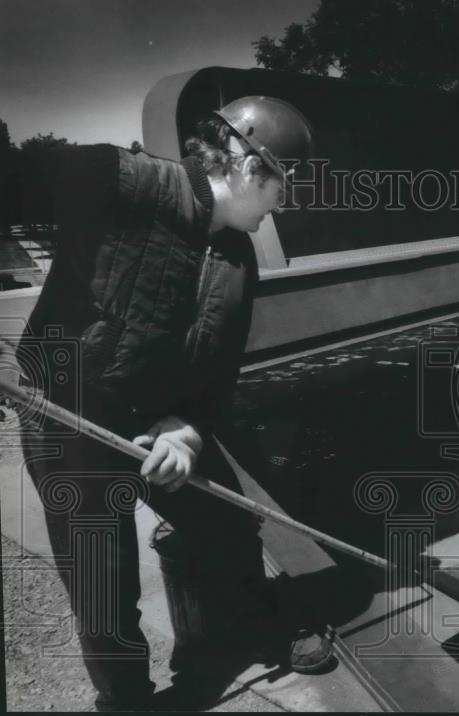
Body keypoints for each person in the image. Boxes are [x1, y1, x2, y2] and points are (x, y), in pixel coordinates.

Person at [10, 96, 334, 710]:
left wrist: (184, 430)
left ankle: (255, 627)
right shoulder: (119, 180)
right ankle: (127, 700)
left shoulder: (239, 261)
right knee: (102, 584)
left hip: (154, 420)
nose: (284, 206)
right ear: (246, 163)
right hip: (67, 417)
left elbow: (216, 377)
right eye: (283, 187)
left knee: (232, 526)